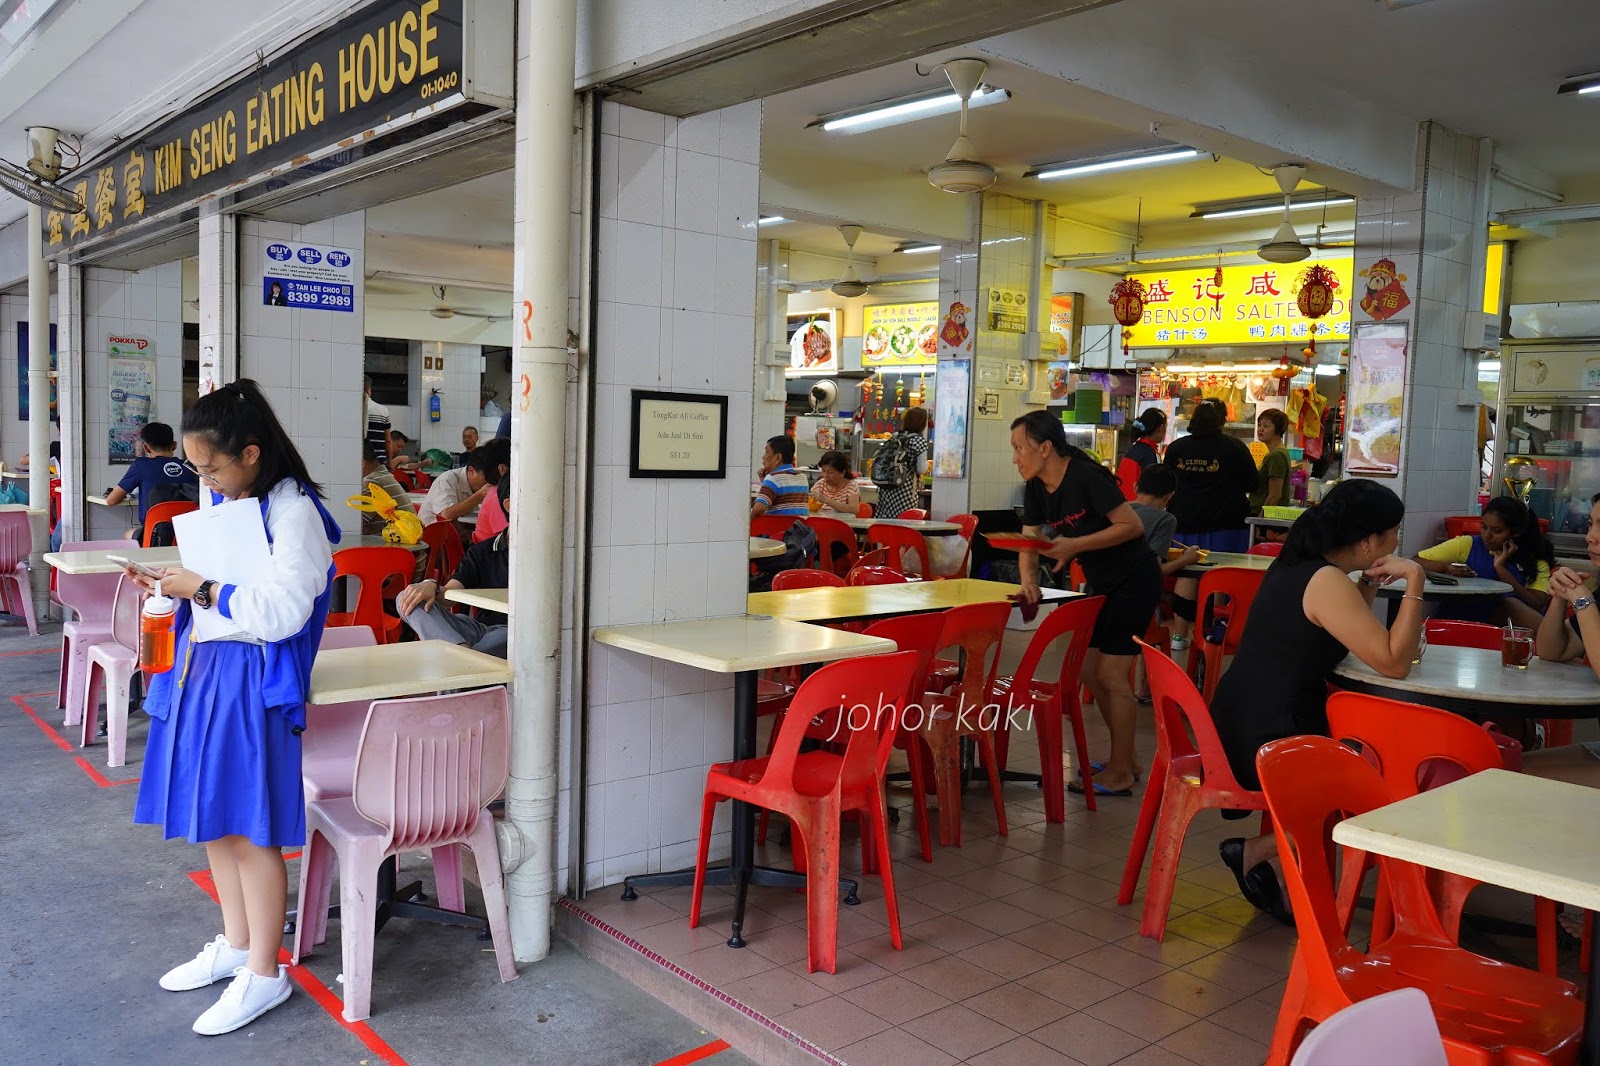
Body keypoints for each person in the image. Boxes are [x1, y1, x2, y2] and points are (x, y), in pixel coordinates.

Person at [125, 379, 341, 1036]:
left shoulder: (294, 512)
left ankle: (266, 974)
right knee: (218, 819)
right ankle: (236, 944)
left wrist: (205, 587)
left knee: (252, 828)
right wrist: (176, 586)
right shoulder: (240, 500)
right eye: (198, 470)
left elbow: (281, 612)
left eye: (213, 468)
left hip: (255, 678)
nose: (207, 481)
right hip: (212, 667)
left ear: (251, 452)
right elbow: (225, 592)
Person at [1208, 479, 1423, 922]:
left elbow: (1343, 625)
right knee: (1376, 780)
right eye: (1393, 532)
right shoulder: (1325, 580)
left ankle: (1267, 856)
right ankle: (1260, 851)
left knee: (1362, 768)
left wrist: (1368, 582)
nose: (1398, 541)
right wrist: (1414, 581)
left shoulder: (1302, 565)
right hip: (1274, 737)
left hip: (1243, 716)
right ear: (1368, 541)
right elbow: (1393, 663)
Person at [1011, 410, 1162, 797]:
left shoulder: (1086, 477)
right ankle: (1125, 758)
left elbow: (1132, 526)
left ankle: (1120, 772)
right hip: (1102, 582)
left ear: (1045, 448)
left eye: (1019, 448)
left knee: (1113, 676)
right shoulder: (1035, 488)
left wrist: (1073, 545)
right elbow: (1029, 542)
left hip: (1135, 580)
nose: (1015, 457)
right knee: (1088, 672)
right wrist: (1030, 584)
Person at [1163, 398, 1258, 649]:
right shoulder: (1235, 447)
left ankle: (1179, 636)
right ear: (1222, 421)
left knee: (1187, 574)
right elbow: (1252, 483)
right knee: (1221, 575)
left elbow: (1166, 483)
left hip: (1185, 521)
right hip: (1225, 522)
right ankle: (1218, 633)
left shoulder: (1176, 449)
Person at [398, 478, 510, 657]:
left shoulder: (549, 558)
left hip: (514, 631)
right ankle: (462, 655)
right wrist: (431, 585)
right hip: (477, 629)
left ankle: (458, 659)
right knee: (407, 597)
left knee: (499, 641)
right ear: (509, 504)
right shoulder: (484, 551)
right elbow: (450, 596)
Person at [1416, 495, 1553, 619]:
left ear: (1515, 533)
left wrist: (1501, 570)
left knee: (1508, 603)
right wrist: (1445, 566)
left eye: (1497, 531)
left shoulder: (1535, 561)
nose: (1487, 535)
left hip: (1510, 629)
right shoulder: (1467, 544)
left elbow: (1536, 604)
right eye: (1484, 527)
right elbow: (1415, 561)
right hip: (1459, 619)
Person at [102, 422, 199, 541]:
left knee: (128, 533)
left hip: (154, 536)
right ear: (174, 445)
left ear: (146, 447)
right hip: (187, 535)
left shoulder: (141, 466)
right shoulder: (190, 467)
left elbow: (111, 500)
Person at [1129, 465, 1202, 577]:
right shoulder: (1165, 520)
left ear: (1136, 487)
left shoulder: (1116, 511)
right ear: (1169, 496)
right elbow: (1154, 570)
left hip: (1098, 591)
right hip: (1134, 591)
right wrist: (1185, 560)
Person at [873, 406, 931, 519]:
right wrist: (928, 464)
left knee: (886, 523)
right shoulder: (919, 441)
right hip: (905, 489)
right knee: (904, 523)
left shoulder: (895, 437)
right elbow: (921, 469)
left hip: (887, 487)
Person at [417, 446, 492, 526]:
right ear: (471, 471)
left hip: (463, 533)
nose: (490, 480)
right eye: (487, 476)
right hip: (432, 534)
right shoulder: (447, 480)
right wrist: (479, 496)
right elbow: (446, 515)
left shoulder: (481, 485)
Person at [752, 435, 810, 517]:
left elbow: (758, 510)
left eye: (766, 452)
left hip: (778, 529)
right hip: (798, 528)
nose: (763, 457)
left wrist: (745, 525)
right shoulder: (802, 477)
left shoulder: (772, 478)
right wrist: (764, 482)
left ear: (778, 457)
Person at [1117, 407, 1168, 500]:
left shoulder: (1134, 449)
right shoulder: (1151, 453)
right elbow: (1153, 491)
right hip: (1138, 509)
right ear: (1160, 428)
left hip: (1124, 505)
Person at [1249, 408, 1293, 514]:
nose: (1260, 429)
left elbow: (1274, 496)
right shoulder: (1276, 453)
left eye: (1266, 426)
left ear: (1277, 430)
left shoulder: (1276, 456)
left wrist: (1259, 522)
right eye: (1259, 425)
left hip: (1269, 520)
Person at [358, 454, 414, 536]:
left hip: (394, 545)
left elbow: (353, 524)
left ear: (363, 462)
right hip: (406, 544)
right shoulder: (383, 475)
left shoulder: (372, 481)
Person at [470, 437, 511, 544]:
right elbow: (512, 537)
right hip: (493, 557)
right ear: (503, 469)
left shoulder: (495, 493)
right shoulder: (497, 498)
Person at [809, 450, 860, 514]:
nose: (825, 475)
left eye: (830, 472)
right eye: (823, 471)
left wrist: (826, 500)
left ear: (842, 473)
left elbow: (854, 509)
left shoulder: (851, 486)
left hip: (842, 522)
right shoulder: (820, 484)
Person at [362, 376, 390, 466]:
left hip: (358, 460)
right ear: (369, 390)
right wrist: (390, 462)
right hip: (378, 462)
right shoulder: (383, 411)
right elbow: (388, 440)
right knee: (373, 481)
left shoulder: (352, 410)